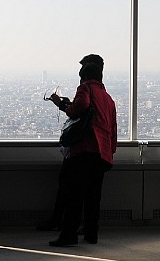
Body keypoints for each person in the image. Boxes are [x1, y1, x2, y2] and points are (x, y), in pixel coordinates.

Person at [47, 55, 117, 246]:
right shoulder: (108, 98)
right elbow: (113, 128)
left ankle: (69, 235)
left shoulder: (85, 88)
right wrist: (110, 151)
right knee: (93, 196)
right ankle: (91, 234)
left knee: (74, 193)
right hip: (102, 153)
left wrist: (62, 105)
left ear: (83, 77)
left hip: (85, 149)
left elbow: (80, 107)